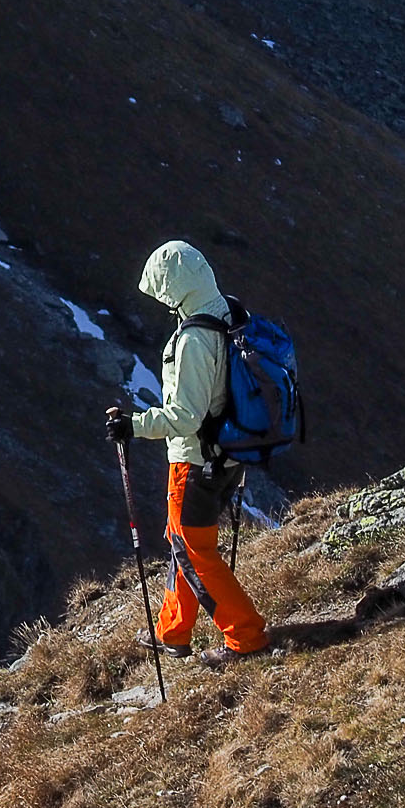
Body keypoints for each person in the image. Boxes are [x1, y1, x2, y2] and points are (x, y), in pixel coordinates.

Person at [105, 241, 270, 667]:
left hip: (195, 463)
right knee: (183, 543)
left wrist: (134, 425)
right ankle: (172, 631)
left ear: (175, 289)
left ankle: (246, 637)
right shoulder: (229, 314)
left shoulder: (195, 338)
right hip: (227, 455)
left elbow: (184, 416)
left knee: (196, 553)